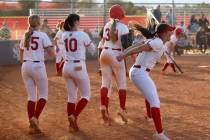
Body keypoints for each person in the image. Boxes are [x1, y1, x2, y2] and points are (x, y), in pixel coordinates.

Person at [117, 23, 174, 140]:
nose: (171, 33)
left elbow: (138, 44)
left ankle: (150, 116)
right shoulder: (157, 42)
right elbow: (140, 47)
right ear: (163, 33)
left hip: (139, 72)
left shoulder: (157, 41)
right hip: (140, 73)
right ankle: (159, 133)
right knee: (155, 101)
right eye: (169, 31)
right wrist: (124, 55)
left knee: (151, 94)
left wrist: (124, 52)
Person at [19, 15, 55, 134]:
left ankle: (32, 127)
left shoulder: (25, 35)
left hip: (25, 66)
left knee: (31, 97)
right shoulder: (42, 35)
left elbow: (21, 52)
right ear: (39, 23)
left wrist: (25, 63)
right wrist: (54, 47)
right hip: (37, 66)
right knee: (43, 96)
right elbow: (51, 54)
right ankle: (35, 118)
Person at [62, 14, 96, 132]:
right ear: (76, 22)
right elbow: (93, 50)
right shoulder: (82, 34)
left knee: (71, 97)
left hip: (66, 66)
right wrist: (89, 35)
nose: (79, 22)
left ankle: (71, 125)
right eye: (78, 21)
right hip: (78, 66)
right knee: (86, 95)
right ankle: (74, 116)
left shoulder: (64, 34)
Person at [100, 4, 130, 124]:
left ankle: (103, 106)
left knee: (105, 83)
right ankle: (122, 109)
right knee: (122, 84)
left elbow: (103, 41)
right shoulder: (123, 27)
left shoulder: (107, 25)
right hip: (116, 55)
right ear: (120, 15)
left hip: (104, 53)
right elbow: (126, 47)